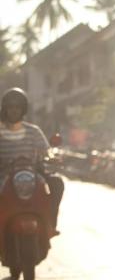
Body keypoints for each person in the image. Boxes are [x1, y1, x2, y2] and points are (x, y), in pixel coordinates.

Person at [0, 87, 64, 232]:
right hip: (3, 176)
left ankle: (50, 224)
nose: (14, 109)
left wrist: (52, 158)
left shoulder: (33, 130)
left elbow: (45, 150)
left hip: (31, 176)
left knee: (57, 183)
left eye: (17, 106)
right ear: (5, 109)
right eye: (10, 106)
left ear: (23, 109)